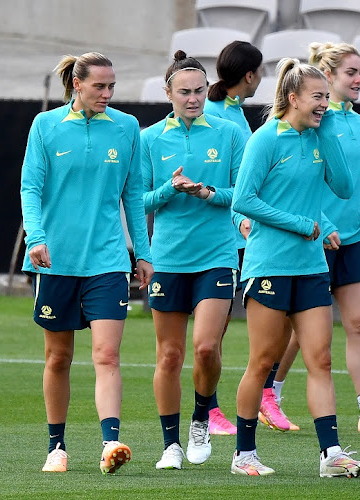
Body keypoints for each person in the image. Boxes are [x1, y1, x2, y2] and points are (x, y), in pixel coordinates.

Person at [230, 57, 360, 477]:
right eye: (317, 97)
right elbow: (244, 200)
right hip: (269, 266)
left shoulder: (319, 136)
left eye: (327, 97)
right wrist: (300, 225)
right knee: (262, 362)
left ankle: (331, 455)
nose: (325, 104)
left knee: (321, 360)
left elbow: (345, 189)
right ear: (293, 98)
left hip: (311, 268)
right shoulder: (265, 139)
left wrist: (327, 132)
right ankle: (244, 454)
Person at [265, 41, 360, 435]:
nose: (359, 79)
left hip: (354, 236)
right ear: (327, 77)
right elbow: (306, 182)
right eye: (352, 72)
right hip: (315, 236)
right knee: (301, 330)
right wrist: (323, 222)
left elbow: (350, 182)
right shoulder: (314, 120)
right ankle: (270, 394)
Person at [20, 52, 153, 474]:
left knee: (107, 355)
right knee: (58, 358)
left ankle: (111, 443)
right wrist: (36, 238)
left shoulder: (128, 128)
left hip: (108, 261)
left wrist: (143, 252)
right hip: (55, 261)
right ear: (77, 84)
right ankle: (56, 448)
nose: (108, 94)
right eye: (100, 86)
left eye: (112, 86)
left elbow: (133, 196)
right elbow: (30, 187)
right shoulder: (45, 126)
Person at [141, 51, 245, 470]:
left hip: (217, 255)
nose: (193, 98)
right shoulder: (148, 139)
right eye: (184, 92)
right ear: (168, 92)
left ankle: (202, 419)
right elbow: (138, 200)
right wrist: (169, 189)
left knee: (205, 348)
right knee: (169, 355)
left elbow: (243, 194)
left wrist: (207, 193)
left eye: (200, 91)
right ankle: (170, 445)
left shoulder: (230, 132)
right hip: (167, 259)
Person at [202, 40, 264, 437]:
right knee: (209, 335)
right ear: (249, 75)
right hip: (214, 239)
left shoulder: (234, 113)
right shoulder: (216, 116)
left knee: (217, 331)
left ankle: (209, 407)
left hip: (234, 237)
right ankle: (206, 409)